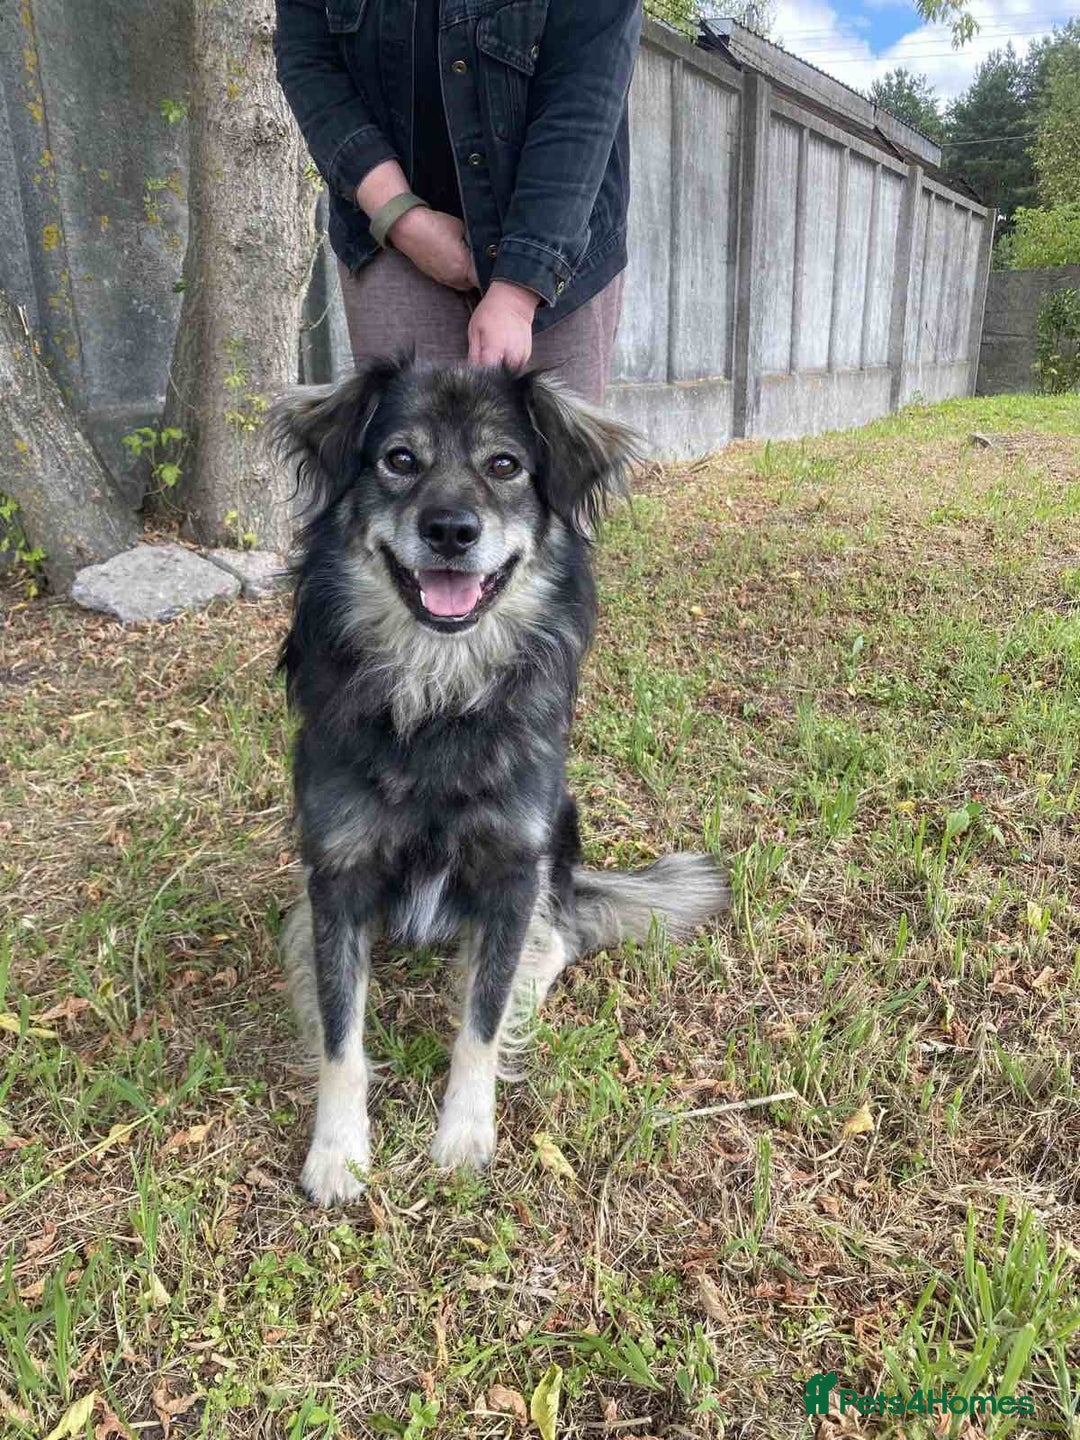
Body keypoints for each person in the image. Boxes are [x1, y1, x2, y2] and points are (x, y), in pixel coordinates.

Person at [273, 0, 641, 404]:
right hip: (387, 222)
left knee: (555, 458)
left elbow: (584, 92)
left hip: (560, 230)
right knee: (408, 445)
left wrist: (519, 292)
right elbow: (308, 56)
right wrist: (400, 217)